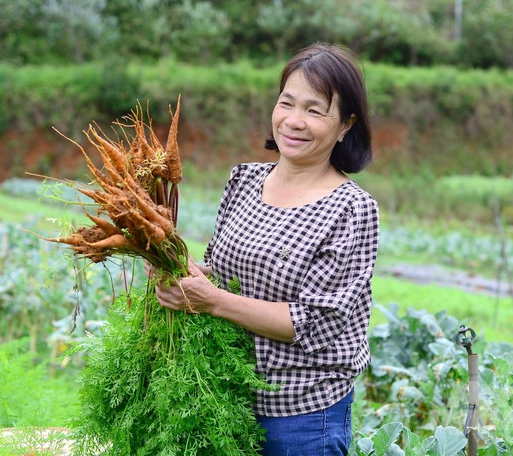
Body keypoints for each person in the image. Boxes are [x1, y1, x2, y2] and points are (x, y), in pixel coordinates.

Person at [152, 42, 379, 455]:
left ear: (345, 125)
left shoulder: (352, 209)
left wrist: (212, 301)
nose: (294, 121)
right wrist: (181, 271)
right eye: (286, 103)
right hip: (225, 402)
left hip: (301, 418)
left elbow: (313, 323)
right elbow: (226, 277)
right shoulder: (244, 180)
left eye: (314, 110)